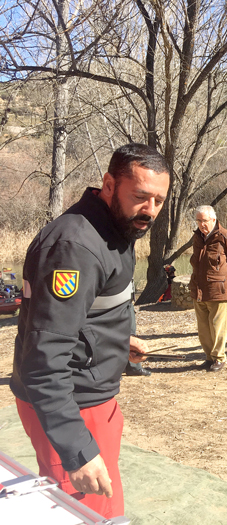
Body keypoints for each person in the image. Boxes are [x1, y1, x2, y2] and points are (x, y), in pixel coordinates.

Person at [11, 143, 170, 518]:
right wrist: (76, 450)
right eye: (141, 197)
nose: (150, 211)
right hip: (70, 404)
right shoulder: (76, 247)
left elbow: (83, 312)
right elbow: (44, 358)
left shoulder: (116, 227)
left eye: (159, 200)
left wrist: (115, 339)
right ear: (109, 184)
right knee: (89, 514)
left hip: (91, 394)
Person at [190, 205, 227, 372]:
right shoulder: (197, 237)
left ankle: (219, 358)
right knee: (204, 328)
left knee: (218, 327)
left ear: (213, 220)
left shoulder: (226, 237)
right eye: (198, 221)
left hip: (218, 291)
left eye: (204, 221)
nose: (201, 224)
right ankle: (209, 357)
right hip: (199, 290)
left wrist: (225, 281)